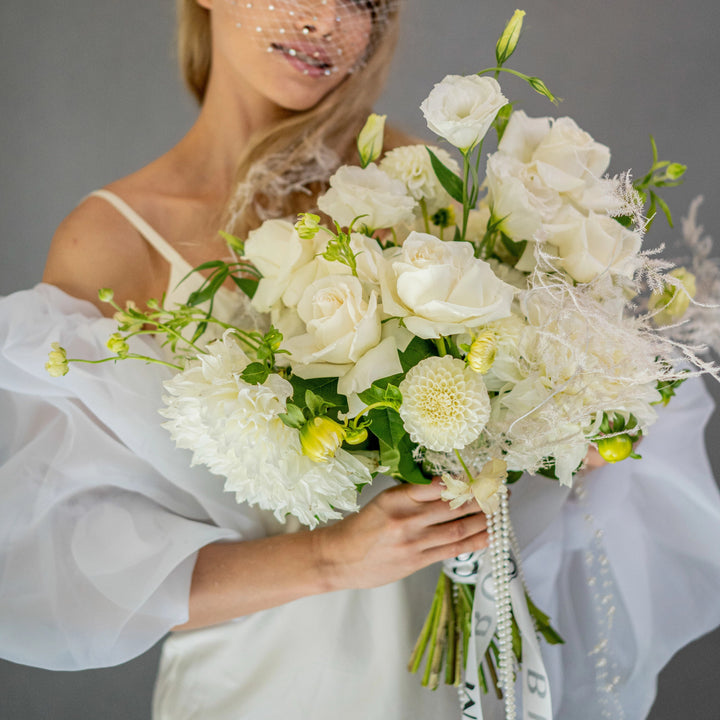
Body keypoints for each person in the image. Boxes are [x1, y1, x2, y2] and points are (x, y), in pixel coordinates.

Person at [1, 2, 720, 719]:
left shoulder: (430, 187)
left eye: (361, 0)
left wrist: (564, 424)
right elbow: (73, 567)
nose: (326, 22)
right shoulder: (114, 240)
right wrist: (331, 559)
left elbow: (527, 439)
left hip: (461, 675)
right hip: (262, 687)